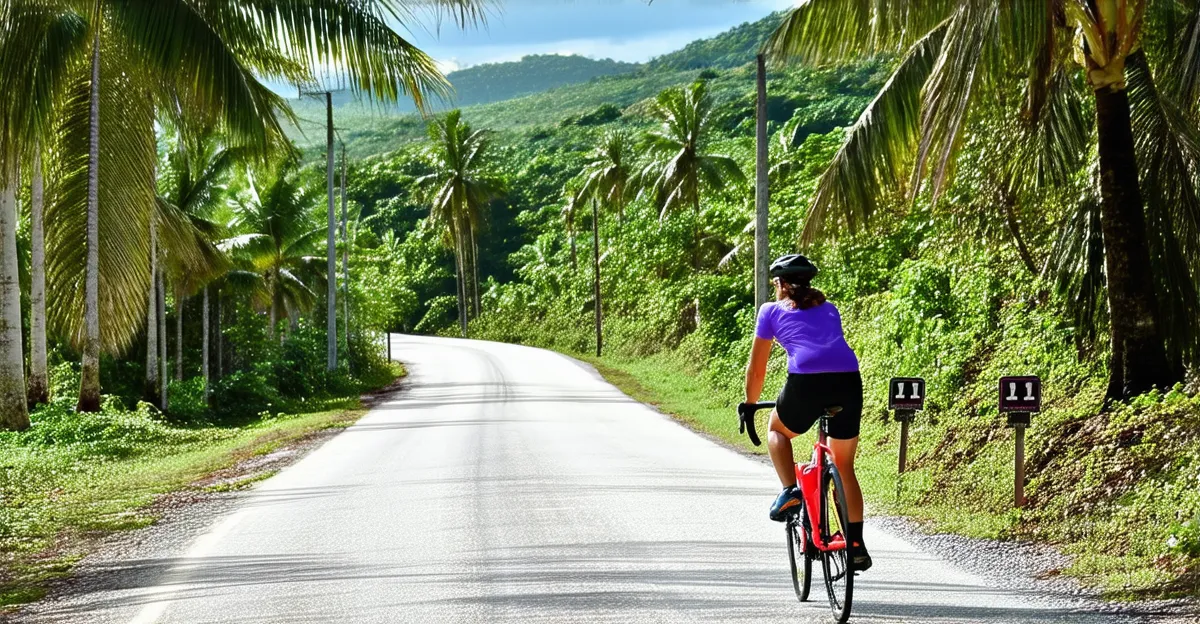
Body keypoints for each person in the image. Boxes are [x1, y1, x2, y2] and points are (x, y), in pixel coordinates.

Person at [742, 253, 871, 571]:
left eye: (775, 283)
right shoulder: (829, 309)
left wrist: (749, 403)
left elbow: (757, 369)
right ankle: (856, 545)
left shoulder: (770, 311)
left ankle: (789, 491)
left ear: (781, 284)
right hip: (848, 382)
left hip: (805, 381)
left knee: (776, 429)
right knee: (844, 466)